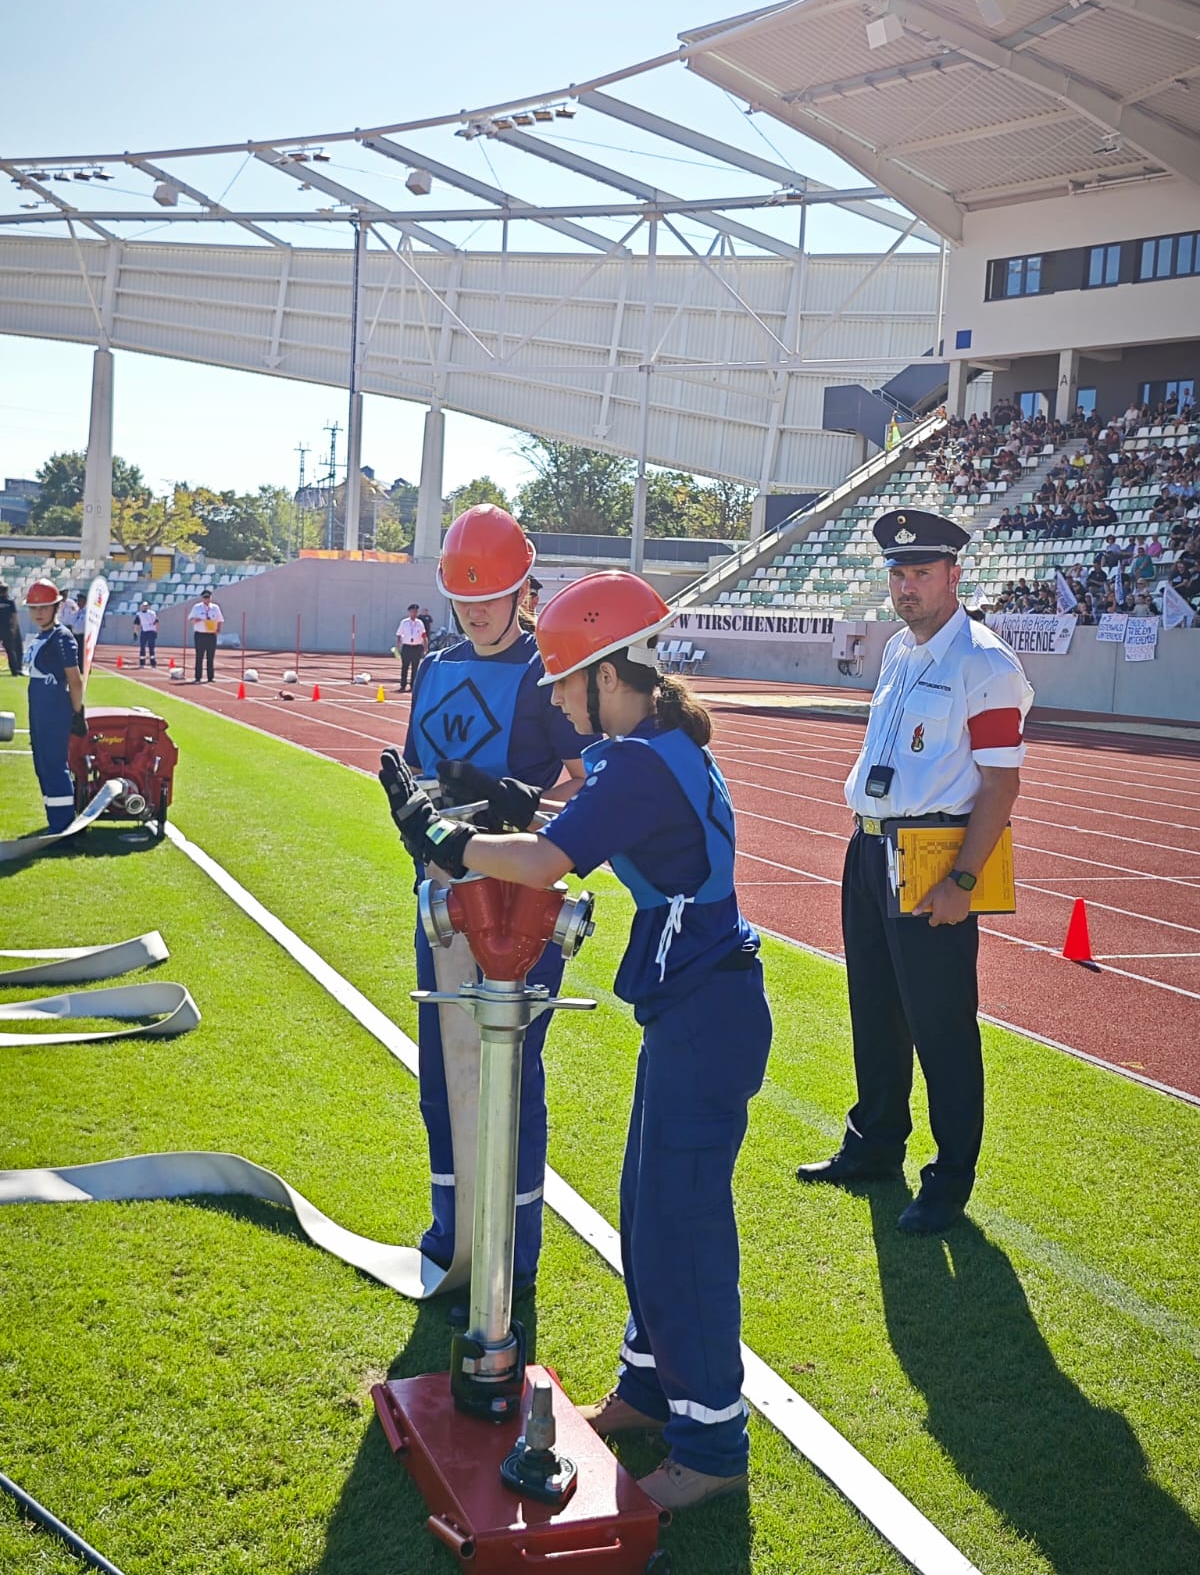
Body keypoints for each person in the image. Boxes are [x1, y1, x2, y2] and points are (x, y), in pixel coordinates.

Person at [379, 569, 771, 1512]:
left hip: (707, 1010)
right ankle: (649, 1391)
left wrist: (441, 832)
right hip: (698, 1003)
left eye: (562, 683)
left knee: (681, 1222)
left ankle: (712, 1444)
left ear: (607, 674)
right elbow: (584, 822)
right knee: (646, 1204)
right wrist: (508, 802)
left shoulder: (637, 761)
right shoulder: (650, 745)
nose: (552, 699)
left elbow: (551, 860)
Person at [796, 509, 1033, 1236]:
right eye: (898, 573)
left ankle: (950, 1177)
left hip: (933, 855)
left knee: (940, 1022)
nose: (907, 586)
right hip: (870, 846)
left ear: (954, 576)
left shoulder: (984, 664)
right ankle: (874, 1142)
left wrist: (962, 882)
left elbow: (1001, 785)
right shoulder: (901, 649)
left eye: (922, 573)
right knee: (874, 1007)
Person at [393, 505, 589, 1295]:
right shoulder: (436, 665)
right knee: (443, 1074)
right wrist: (413, 820)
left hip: (519, 903)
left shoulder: (551, 672)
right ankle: (451, 1236)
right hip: (441, 896)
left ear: (522, 588)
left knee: (510, 1077)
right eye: (464, 597)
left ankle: (513, 1252)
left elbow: (590, 788)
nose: (475, 611)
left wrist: (521, 810)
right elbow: (417, 772)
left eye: (491, 596)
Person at [22, 580, 87, 835]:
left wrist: (77, 712)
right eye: (34, 607)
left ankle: (64, 825)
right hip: (39, 708)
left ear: (56, 607)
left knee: (54, 765)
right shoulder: (42, 636)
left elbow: (75, 680)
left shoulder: (61, 637)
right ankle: (55, 821)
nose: (38, 612)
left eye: (44, 607)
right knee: (42, 765)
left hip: (54, 708)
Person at [188, 588, 223, 682]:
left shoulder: (215, 608)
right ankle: (198, 677)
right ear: (202, 598)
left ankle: (210, 677)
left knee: (210, 657)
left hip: (211, 635)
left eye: (208, 597)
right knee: (199, 656)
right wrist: (196, 620)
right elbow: (190, 619)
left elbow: (220, 620)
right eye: (205, 597)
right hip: (200, 634)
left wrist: (218, 629)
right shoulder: (197, 607)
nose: (207, 599)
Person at [395, 602, 427, 692]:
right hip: (407, 647)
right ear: (409, 612)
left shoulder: (420, 623)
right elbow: (399, 634)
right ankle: (403, 685)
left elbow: (424, 635)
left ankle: (413, 686)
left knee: (415, 668)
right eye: (413, 611)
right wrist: (398, 645)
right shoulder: (404, 622)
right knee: (405, 667)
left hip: (417, 647)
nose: (414, 613)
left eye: (416, 611)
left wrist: (426, 646)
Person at [0, 581, 23, 676]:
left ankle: (15, 670)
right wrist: (14, 628)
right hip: (7, 629)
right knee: (10, 650)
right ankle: (15, 671)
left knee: (10, 650)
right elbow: (14, 617)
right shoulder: (10, 602)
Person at [134, 601, 159, 667]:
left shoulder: (152, 613)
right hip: (144, 631)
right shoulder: (139, 614)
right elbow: (136, 624)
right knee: (142, 647)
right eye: (143, 606)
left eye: (146, 606)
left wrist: (156, 631)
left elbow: (156, 622)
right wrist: (135, 632)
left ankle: (153, 662)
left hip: (151, 631)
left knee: (151, 647)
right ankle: (142, 662)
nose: (144, 607)